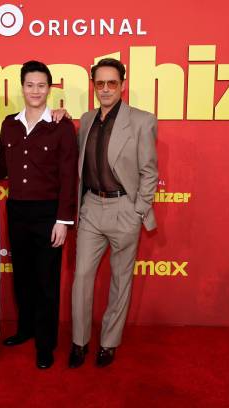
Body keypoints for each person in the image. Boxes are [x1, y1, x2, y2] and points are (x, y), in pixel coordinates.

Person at [69, 58, 158, 368]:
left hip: (124, 208)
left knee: (120, 280)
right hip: (92, 207)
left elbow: (149, 171)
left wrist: (138, 210)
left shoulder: (142, 121)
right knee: (82, 277)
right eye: (100, 83)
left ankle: (108, 343)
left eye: (112, 83)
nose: (105, 89)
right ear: (94, 86)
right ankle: (79, 342)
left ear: (122, 85)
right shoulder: (86, 119)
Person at [0, 60, 78, 369]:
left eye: (41, 85)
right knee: (22, 277)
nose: (35, 91)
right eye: (30, 85)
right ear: (22, 87)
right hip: (17, 210)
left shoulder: (61, 126)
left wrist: (62, 220)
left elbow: (69, 177)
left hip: (48, 214)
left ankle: (46, 344)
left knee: (46, 281)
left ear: (49, 89)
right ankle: (26, 329)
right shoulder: (9, 124)